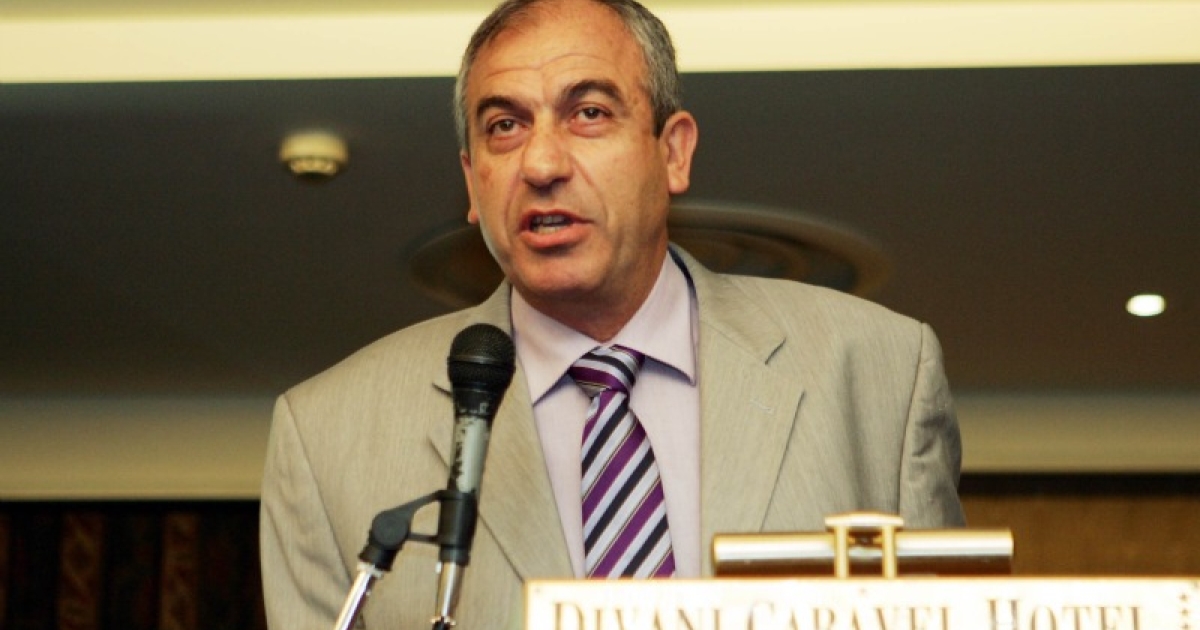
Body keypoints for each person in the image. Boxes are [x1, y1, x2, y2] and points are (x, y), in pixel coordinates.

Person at [259, 0, 965, 628]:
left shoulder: (877, 371)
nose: (541, 163)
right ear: (472, 182)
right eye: (505, 126)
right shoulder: (324, 438)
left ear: (673, 152)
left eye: (589, 113)